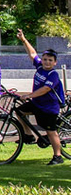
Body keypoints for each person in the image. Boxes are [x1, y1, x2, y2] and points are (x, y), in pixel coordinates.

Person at [17, 31, 65, 165]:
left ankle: (58, 156)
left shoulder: (53, 74)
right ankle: (28, 135)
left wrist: (28, 96)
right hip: (37, 103)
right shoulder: (40, 67)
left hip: (49, 107)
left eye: (50, 60)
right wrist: (23, 39)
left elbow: (45, 89)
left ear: (55, 62)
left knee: (51, 132)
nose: (47, 62)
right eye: (45, 59)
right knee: (19, 111)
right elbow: (32, 54)